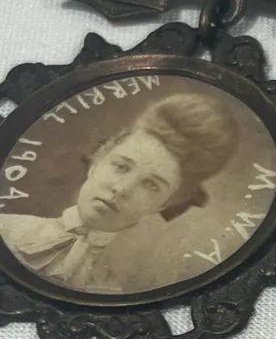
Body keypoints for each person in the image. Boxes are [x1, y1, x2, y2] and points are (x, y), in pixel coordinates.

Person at [0, 92, 236, 293]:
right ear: (97, 159)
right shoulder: (6, 229)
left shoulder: (112, 293)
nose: (121, 190)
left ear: (167, 202)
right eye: (121, 166)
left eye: (151, 185)